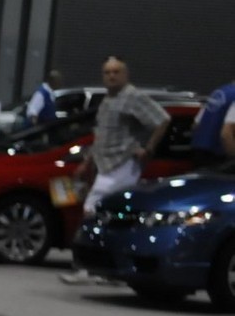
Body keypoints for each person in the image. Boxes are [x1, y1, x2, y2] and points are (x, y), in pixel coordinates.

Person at [60, 57, 171, 288]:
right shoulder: (107, 100)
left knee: (92, 209)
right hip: (105, 165)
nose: (111, 76)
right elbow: (101, 136)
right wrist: (88, 161)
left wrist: (148, 148)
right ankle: (105, 268)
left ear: (125, 74)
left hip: (122, 164)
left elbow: (162, 119)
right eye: (107, 72)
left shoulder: (133, 96)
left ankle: (86, 266)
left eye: (116, 72)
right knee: (109, 217)